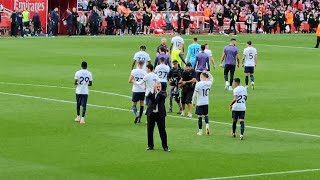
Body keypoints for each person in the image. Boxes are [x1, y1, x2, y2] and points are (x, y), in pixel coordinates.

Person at [146, 82, 170, 152]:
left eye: (159, 86)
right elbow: (149, 96)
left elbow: (163, 97)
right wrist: (153, 91)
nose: (158, 87)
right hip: (151, 114)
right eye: (157, 86)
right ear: (154, 86)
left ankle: (165, 146)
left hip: (160, 114)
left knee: (162, 131)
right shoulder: (152, 93)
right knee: (150, 130)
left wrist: (158, 92)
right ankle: (150, 145)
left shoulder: (163, 93)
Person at [192, 72, 213, 136]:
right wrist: (208, 73)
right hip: (206, 102)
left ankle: (200, 131)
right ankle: (207, 126)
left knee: (200, 117)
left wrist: (193, 102)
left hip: (200, 102)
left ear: (202, 77)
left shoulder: (198, 84)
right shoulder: (209, 83)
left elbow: (195, 94)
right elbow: (212, 78)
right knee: (206, 115)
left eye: (201, 77)